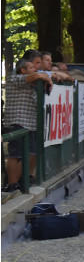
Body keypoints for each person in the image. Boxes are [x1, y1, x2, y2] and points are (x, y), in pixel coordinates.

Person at [2, 58, 53, 192]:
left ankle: (19, 181)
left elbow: (41, 75)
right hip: (17, 122)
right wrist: (48, 79)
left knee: (32, 153)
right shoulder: (15, 78)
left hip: (29, 123)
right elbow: (38, 75)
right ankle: (12, 184)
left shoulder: (32, 84)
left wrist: (47, 79)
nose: (35, 70)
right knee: (16, 155)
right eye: (31, 67)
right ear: (22, 70)